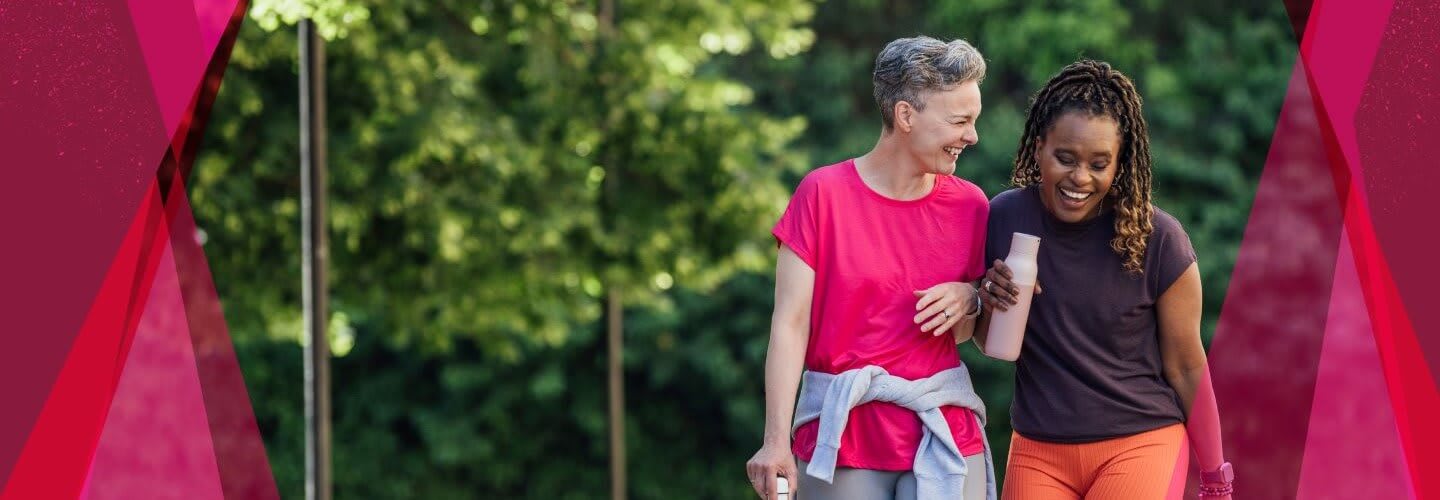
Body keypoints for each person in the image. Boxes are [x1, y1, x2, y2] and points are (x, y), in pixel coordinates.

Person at [745, 36, 997, 500]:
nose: (972, 136)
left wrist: (972, 297)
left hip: (943, 430)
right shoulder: (822, 195)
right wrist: (775, 440)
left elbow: (965, 335)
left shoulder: (972, 206)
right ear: (905, 116)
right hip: (843, 436)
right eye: (960, 121)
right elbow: (790, 324)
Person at [977, 59, 1233, 500]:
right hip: (1038, 447)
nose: (1080, 178)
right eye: (1065, 158)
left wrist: (1215, 478)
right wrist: (987, 298)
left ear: (1119, 164)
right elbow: (988, 344)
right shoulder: (1003, 217)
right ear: (1039, 148)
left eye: (1099, 164)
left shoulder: (1160, 240)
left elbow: (1187, 366)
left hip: (1140, 440)